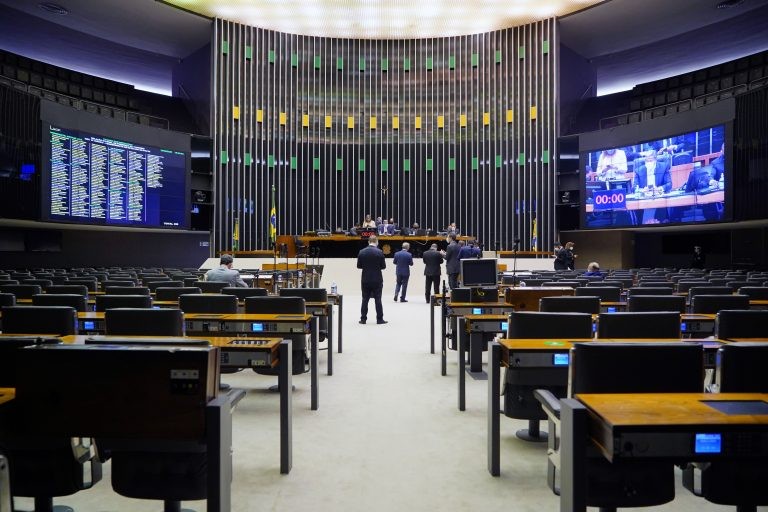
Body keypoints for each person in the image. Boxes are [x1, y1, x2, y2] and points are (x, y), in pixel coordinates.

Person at [357, 235, 387, 324]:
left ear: (368, 242)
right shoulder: (380, 252)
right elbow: (383, 266)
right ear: (376, 242)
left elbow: (359, 266)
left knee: (365, 299)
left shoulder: (362, 251)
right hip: (377, 279)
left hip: (365, 279)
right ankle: (379, 319)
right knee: (378, 299)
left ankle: (363, 319)